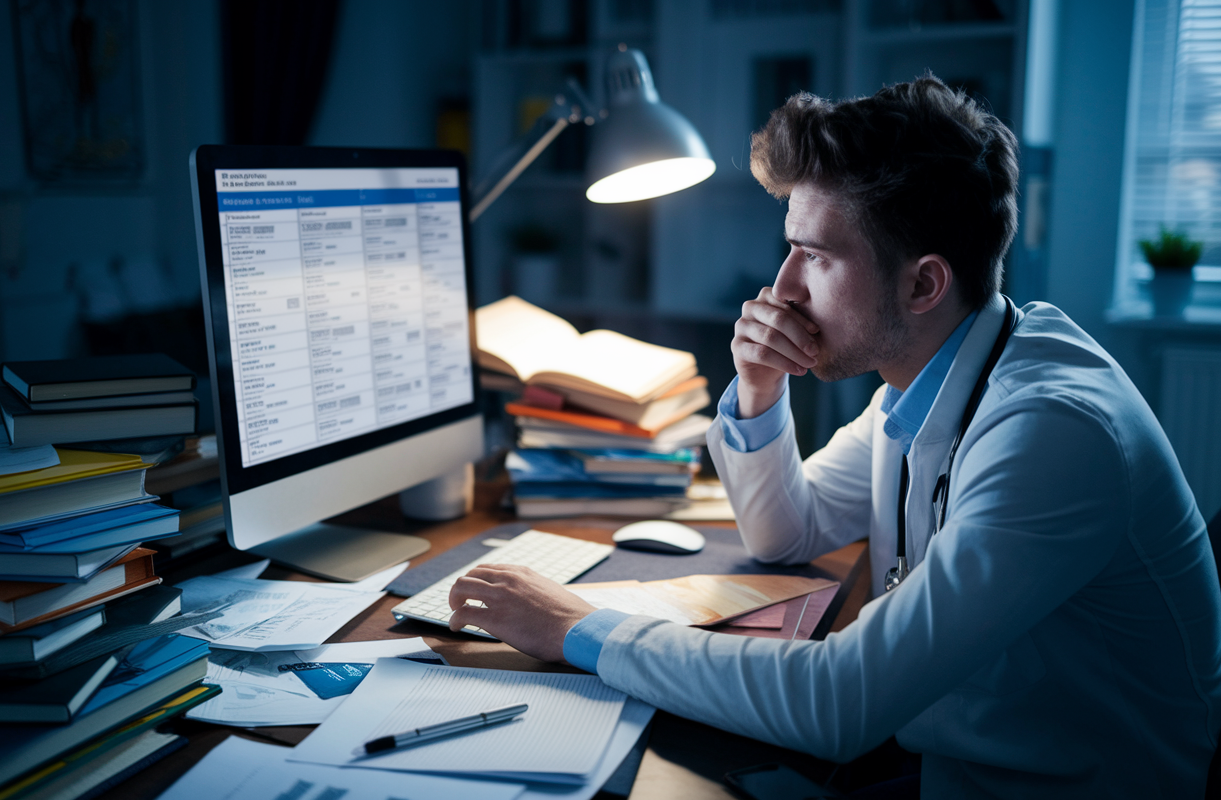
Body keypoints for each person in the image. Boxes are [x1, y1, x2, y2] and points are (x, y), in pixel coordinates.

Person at [448, 75, 1221, 797]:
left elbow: (839, 703)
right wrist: (757, 388)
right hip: (950, 760)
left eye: (814, 255)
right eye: (790, 248)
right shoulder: (935, 375)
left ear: (923, 283)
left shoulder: (1052, 433)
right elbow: (789, 531)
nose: (781, 287)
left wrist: (578, 626)